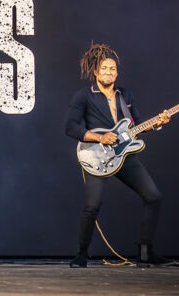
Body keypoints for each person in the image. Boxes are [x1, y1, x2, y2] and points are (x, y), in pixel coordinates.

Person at [64, 42, 171, 268]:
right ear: (95, 72)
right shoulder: (84, 96)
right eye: (104, 68)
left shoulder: (125, 95)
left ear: (117, 73)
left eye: (112, 69)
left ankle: (145, 252)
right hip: (97, 156)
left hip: (124, 155)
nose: (108, 72)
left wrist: (157, 123)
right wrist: (99, 137)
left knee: (153, 196)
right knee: (92, 205)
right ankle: (81, 254)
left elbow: (138, 125)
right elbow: (70, 127)